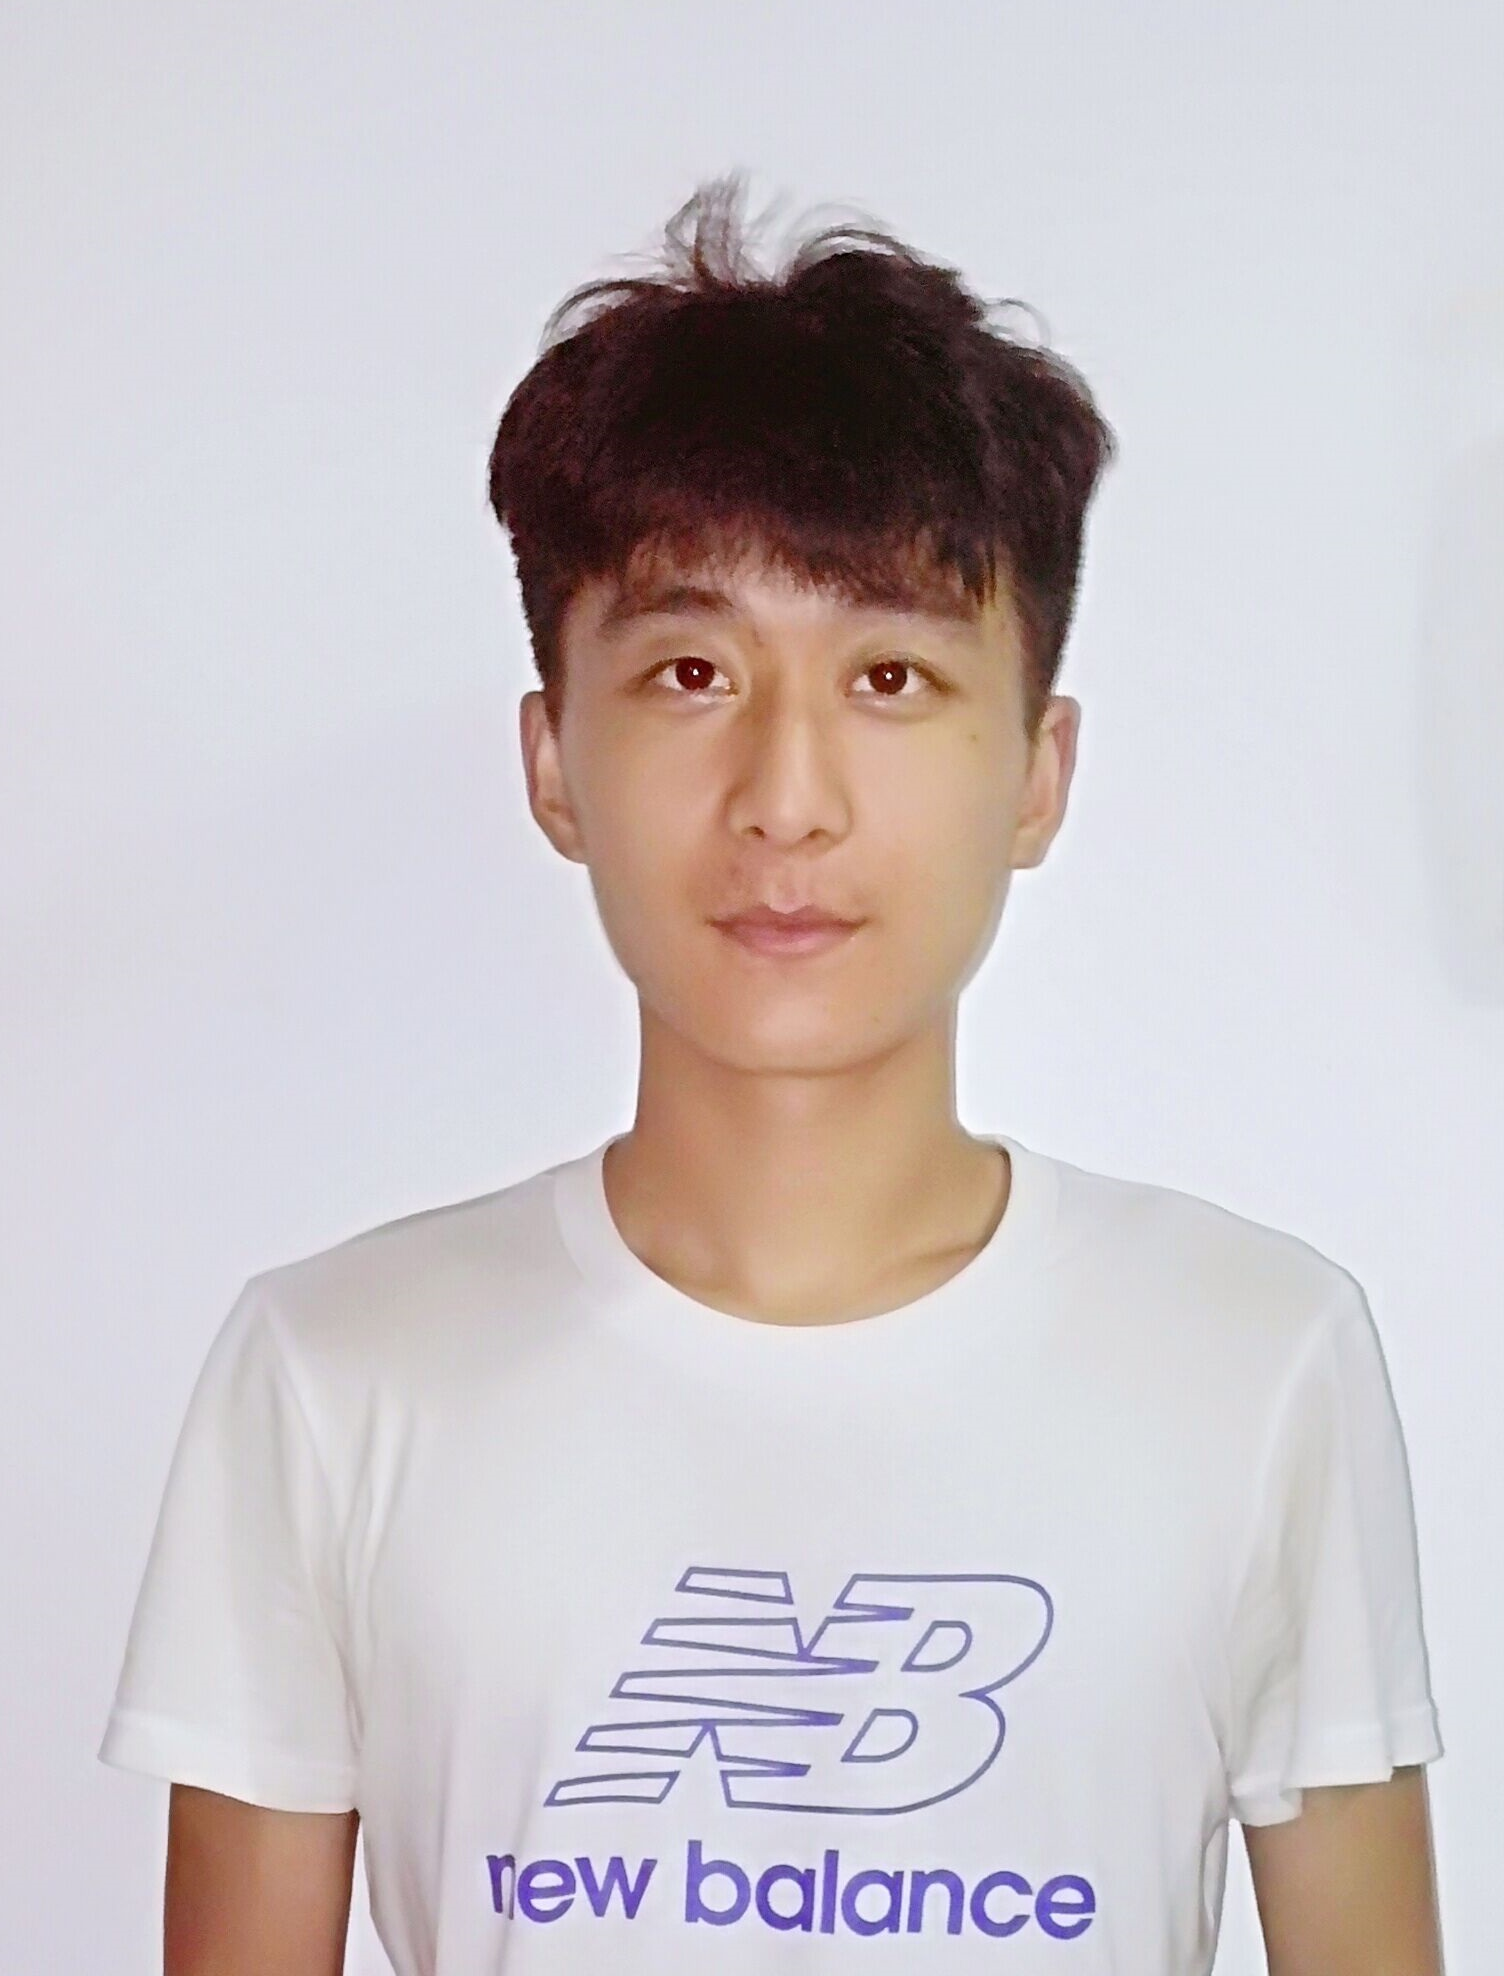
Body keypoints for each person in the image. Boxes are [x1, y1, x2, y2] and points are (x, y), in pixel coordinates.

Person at [98, 172, 1446, 1974]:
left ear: (1037, 771)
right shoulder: (335, 1374)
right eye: (688, 671)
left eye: (888, 676)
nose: (786, 798)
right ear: (553, 762)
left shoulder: (1258, 1360)